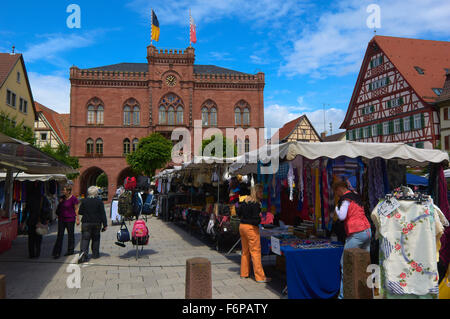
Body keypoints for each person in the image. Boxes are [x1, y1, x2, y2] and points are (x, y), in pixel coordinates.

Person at [333, 180, 371, 299]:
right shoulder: (355, 195)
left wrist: (336, 209)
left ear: (340, 188)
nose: (336, 194)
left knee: (345, 263)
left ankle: (343, 296)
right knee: (365, 264)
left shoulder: (345, 200)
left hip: (357, 232)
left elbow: (342, 216)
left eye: (336, 191)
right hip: (367, 231)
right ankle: (365, 294)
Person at [237, 184, 271, 283]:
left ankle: (244, 273)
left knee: (245, 251)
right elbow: (256, 220)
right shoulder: (256, 204)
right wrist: (260, 218)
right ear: (256, 192)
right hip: (251, 228)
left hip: (242, 227)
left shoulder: (246, 200)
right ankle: (260, 277)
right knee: (255, 252)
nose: (262, 194)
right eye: (260, 192)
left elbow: (238, 212)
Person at [77, 186, 108, 263]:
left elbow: (80, 212)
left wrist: (87, 212)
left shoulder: (84, 201)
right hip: (97, 223)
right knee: (96, 238)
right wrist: (105, 224)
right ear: (96, 193)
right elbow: (102, 214)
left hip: (86, 222)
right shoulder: (99, 201)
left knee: (85, 238)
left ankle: (83, 254)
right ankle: (95, 254)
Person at [21, 182, 51, 258]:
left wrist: (23, 221)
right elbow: (47, 210)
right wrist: (47, 220)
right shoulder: (43, 198)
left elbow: (26, 211)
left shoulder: (29, 198)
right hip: (40, 221)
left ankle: (31, 254)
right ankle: (37, 253)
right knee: (38, 238)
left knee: (31, 238)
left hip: (31, 220)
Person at [52, 185, 79, 258]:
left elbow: (76, 209)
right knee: (60, 235)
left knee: (71, 235)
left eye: (64, 190)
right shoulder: (62, 198)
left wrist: (77, 219)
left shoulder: (74, 199)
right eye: (63, 190)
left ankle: (70, 250)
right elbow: (59, 207)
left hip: (70, 219)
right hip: (61, 219)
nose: (63, 191)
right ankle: (57, 252)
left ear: (69, 191)